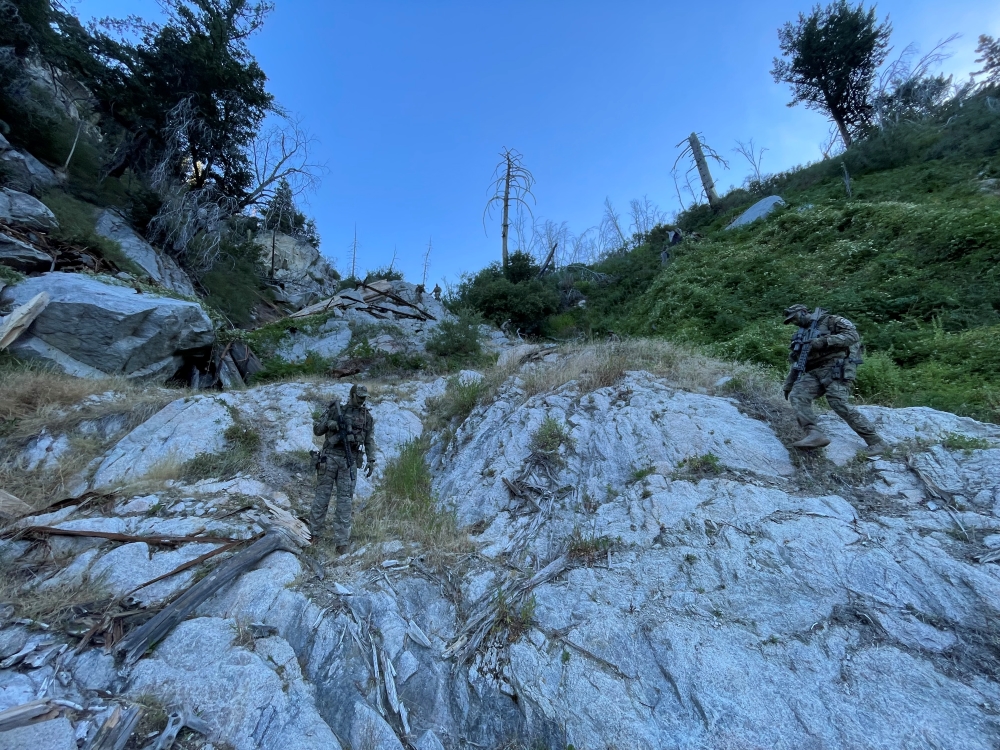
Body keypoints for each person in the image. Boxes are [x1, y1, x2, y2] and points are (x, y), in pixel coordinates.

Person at [781, 304, 886, 454]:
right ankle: (814, 434)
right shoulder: (800, 335)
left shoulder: (831, 321)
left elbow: (853, 336)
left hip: (836, 366)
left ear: (804, 312)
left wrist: (825, 341)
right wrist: (789, 383)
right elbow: (797, 361)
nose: (794, 322)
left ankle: (876, 441)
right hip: (814, 372)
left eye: (795, 318)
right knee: (798, 395)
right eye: (791, 321)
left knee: (837, 402)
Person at [311, 384, 376, 553]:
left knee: (345, 501)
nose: (362, 400)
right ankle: (314, 534)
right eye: (359, 396)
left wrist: (371, 459)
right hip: (330, 456)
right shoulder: (335, 409)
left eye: (364, 397)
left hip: (349, 460)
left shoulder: (366, 417)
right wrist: (330, 423)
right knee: (322, 497)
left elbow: (369, 440)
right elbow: (317, 429)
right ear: (352, 395)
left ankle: (341, 541)